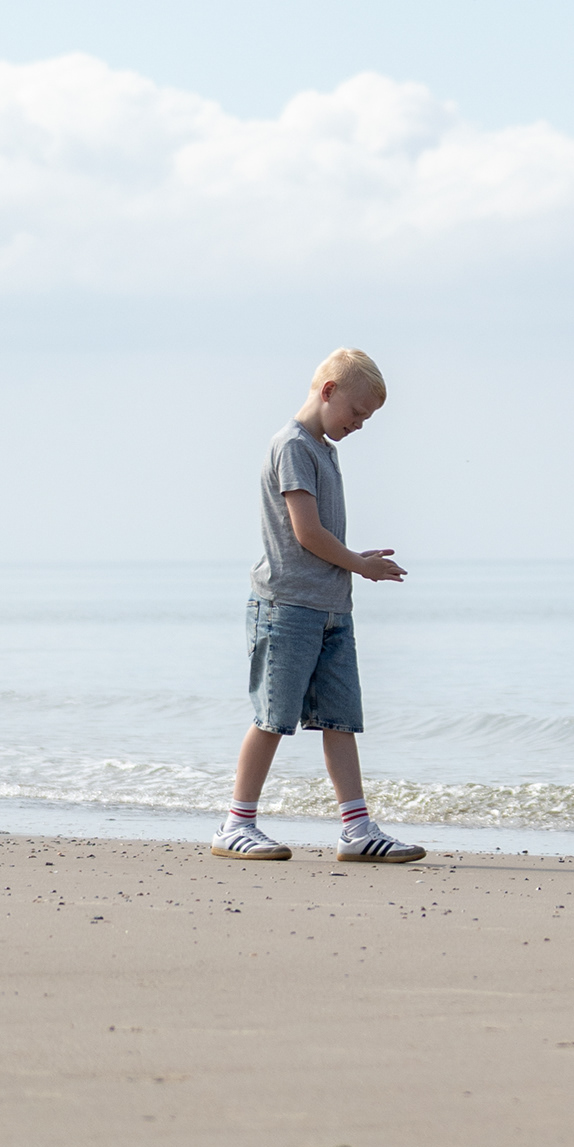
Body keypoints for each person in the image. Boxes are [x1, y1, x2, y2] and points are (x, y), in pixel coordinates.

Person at [210, 349, 426, 866]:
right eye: (357, 412)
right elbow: (306, 533)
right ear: (328, 391)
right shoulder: (292, 446)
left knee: (339, 720)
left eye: (367, 418)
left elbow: (318, 536)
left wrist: (352, 563)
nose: (360, 424)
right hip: (286, 607)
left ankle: (357, 829)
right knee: (272, 718)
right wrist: (360, 565)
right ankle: (236, 824)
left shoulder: (324, 450)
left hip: (331, 609)